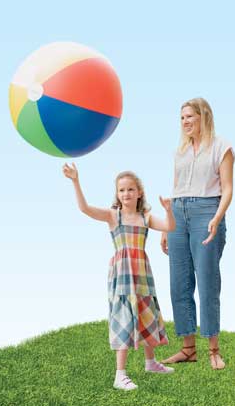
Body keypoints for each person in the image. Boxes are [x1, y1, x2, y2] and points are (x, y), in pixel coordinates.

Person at [63, 163, 175, 391]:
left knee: (146, 313)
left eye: (130, 189)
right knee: (124, 317)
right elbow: (84, 208)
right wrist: (75, 180)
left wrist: (168, 210)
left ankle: (150, 362)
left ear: (139, 192)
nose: (126, 194)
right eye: (121, 190)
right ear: (117, 194)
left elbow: (169, 227)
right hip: (123, 274)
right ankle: (120, 375)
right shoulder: (114, 216)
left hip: (142, 272)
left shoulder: (146, 217)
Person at [161, 97, 234, 370]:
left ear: (204, 116)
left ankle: (213, 350)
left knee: (207, 282)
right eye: (182, 118)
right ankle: (188, 349)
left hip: (207, 211)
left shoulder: (221, 147)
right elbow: (176, 186)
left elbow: (227, 188)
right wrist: (168, 224)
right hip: (178, 213)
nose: (185, 122)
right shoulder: (180, 151)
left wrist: (217, 217)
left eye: (190, 116)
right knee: (178, 284)